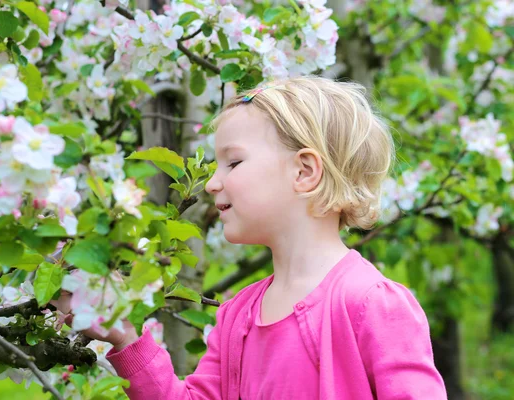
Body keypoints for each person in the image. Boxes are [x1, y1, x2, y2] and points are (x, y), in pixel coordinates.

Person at [63, 76, 448, 399]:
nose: (212, 183)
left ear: (304, 171)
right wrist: (124, 334)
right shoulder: (238, 316)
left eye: (233, 162)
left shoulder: (370, 304)